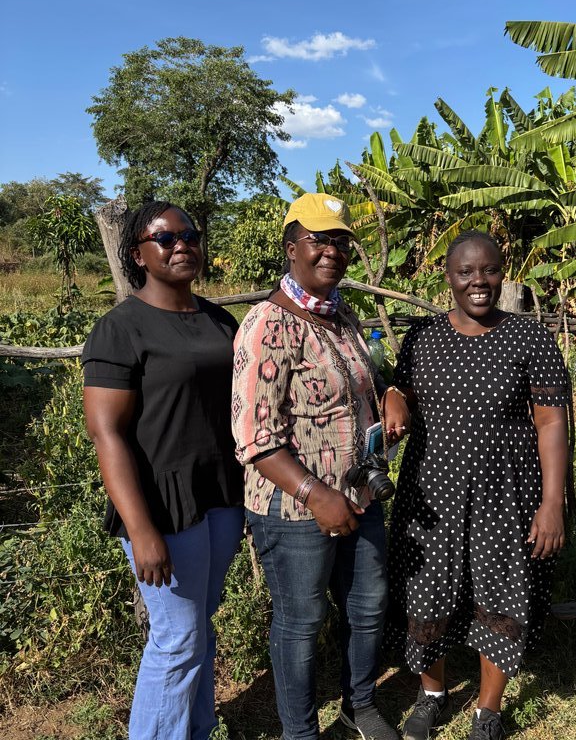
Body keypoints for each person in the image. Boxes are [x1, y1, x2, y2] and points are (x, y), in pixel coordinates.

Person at [231, 193, 407, 740]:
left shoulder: (343, 317)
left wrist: (392, 389)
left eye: (340, 241)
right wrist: (315, 493)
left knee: (368, 607)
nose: (332, 251)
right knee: (302, 623)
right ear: (291, 248)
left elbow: (364, 382)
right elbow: (253, 438)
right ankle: (300, 732)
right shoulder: (266, 325)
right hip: (293, 508)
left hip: (359, 496)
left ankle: (359, 704)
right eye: (319, 240)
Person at [384, 230, 570, 740]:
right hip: (431, 495)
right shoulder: (422, 336)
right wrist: (395, 395)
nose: (478, 281)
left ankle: (488, 711)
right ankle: (433, 694)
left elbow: (552, 423)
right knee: (425, 593)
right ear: (448, 276)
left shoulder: (529, 337)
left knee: (502, 595)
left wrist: (552, 504)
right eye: (466, 272)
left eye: (488, 270)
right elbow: (399, 389)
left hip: (505, 496)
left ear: (502, 272)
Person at [82, 201, 244, 740]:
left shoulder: (219, 320)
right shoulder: (121, 328)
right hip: (161, 502)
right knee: (175, 638)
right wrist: (141, 528)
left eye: (189, 234)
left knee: (199, 627)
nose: (181, 245)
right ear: (139, 255)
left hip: (219, 494)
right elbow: (108, 434)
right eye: (164, 238)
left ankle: (196, 728)